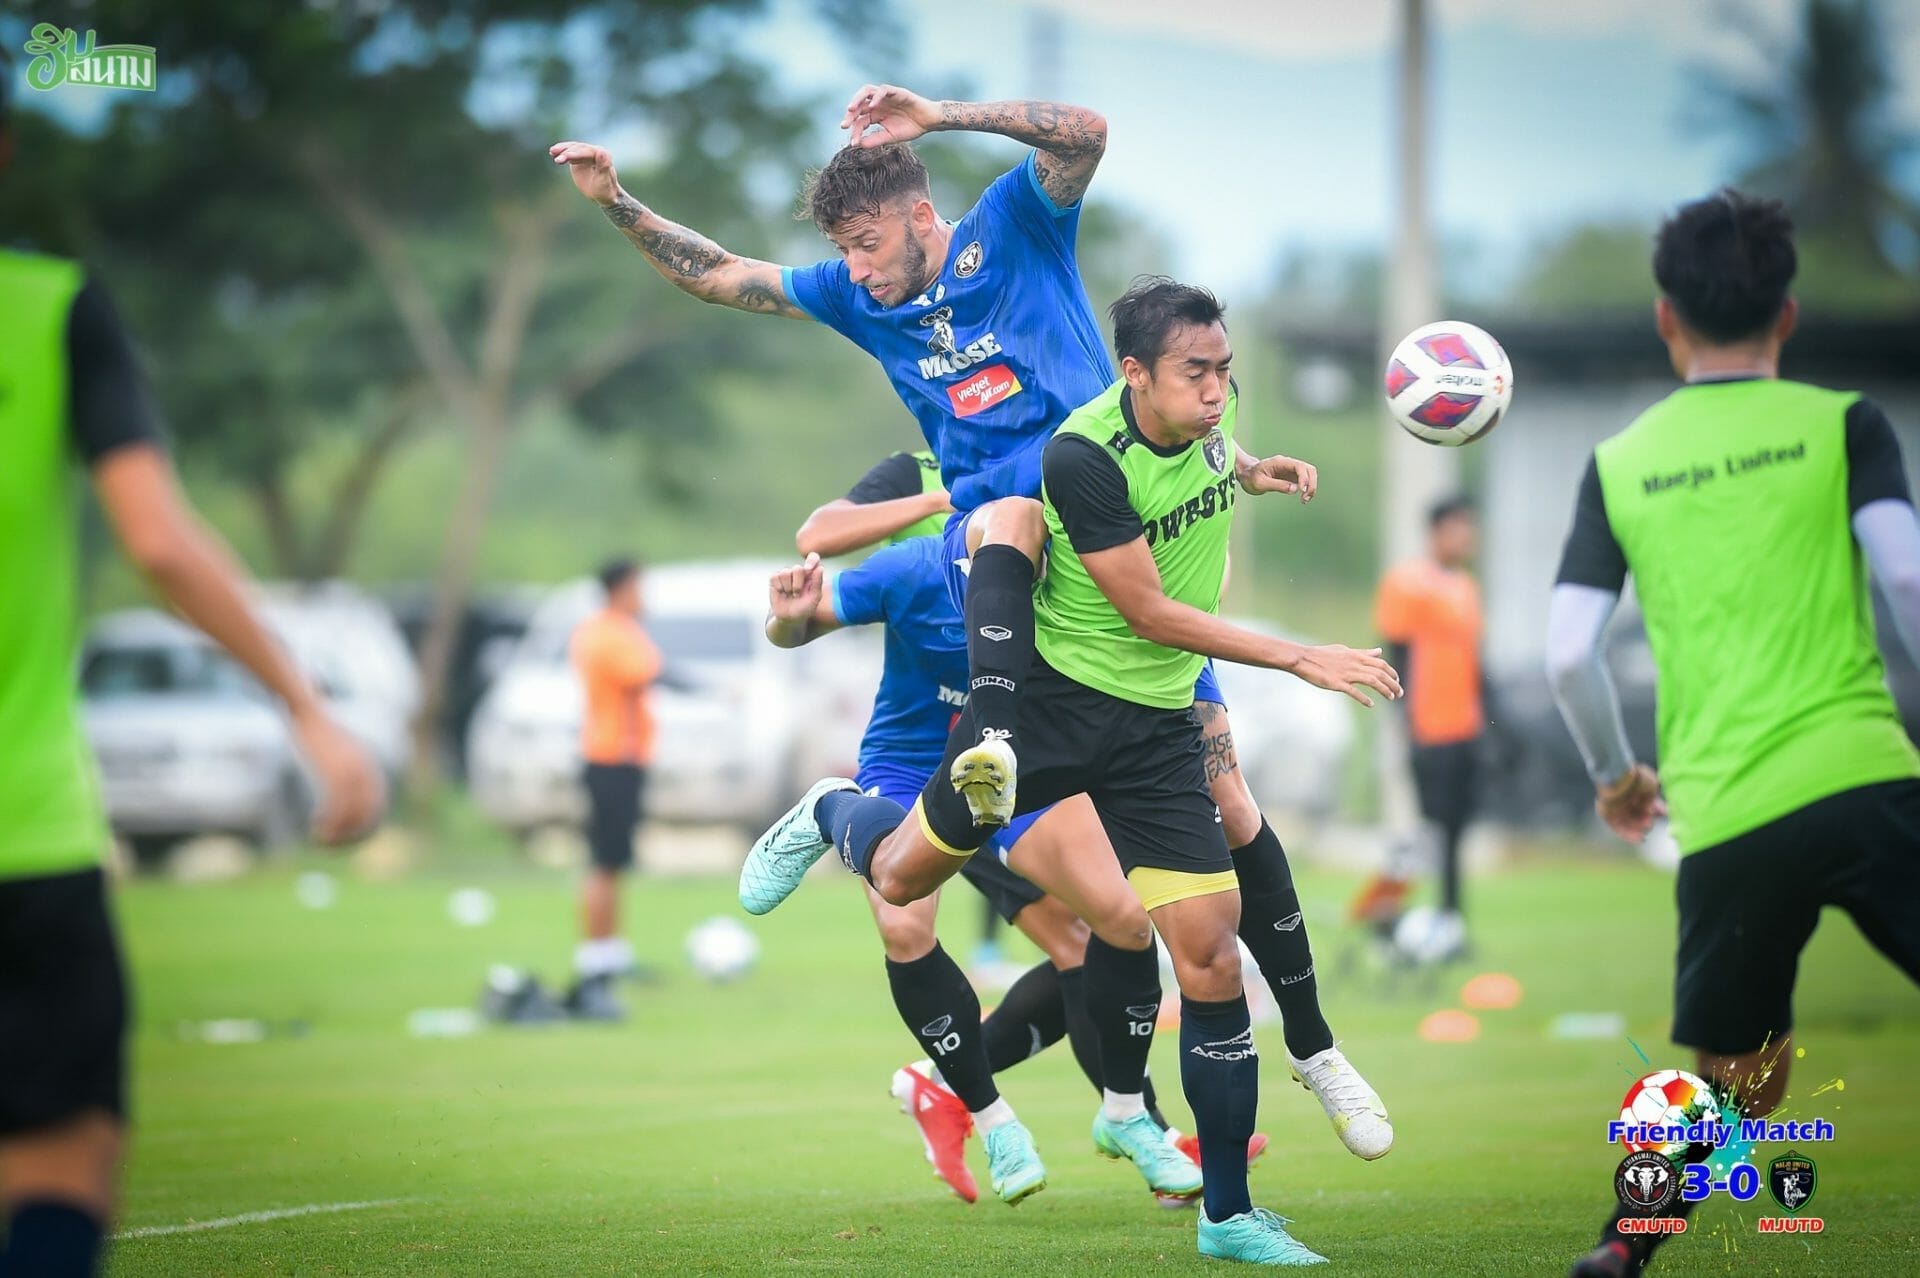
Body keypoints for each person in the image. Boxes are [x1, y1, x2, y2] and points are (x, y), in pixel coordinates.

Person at [555, 86, 1388, 1163]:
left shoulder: (1013, 227)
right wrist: (614, 199)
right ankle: (971, 775)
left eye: (865, 243)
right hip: (1003, 573)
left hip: (1114, 566)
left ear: (919, 213)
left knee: (1223, 814)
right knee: (1009, 519)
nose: (856, 268)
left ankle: (1303, 1053)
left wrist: (939, 116)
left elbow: (1087, 134)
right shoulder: (860, 297)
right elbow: (721, 275)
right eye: (842, 251)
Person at [745, 280, 1401, 1265]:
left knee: (1207, 958)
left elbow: (1211, 457)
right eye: (1196, 372)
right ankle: (832, 809)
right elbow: (1146, 611)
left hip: (1154, 730)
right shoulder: (1076, 456)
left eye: (1224, 370)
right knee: (899, 881)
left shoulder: (1209, 422)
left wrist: (1254, 469)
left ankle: (1227, 1212)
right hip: (1051, 711)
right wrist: (1301, 654)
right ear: (1134, 374)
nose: (1217, 389)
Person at [0, 84, 386, 1278]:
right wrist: (307, 708)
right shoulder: (49, 308)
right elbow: (158, 542)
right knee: (56, 1173)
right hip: (22, 837)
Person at [1549, 191, 1920, 1278]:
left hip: (1728, 818)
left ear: (1667, 317)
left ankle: (1625, 1248)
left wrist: (1616, 777)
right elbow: (1906, 576)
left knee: (1734, 1077)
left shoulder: (1620, 463)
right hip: (1863, 775)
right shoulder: (1845, 422)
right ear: (1787, 314)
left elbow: (1568, 654)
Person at [792, 450, 1270, 1205]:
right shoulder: (919, 536)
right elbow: (809, 569)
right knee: (913, 925)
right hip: (923, 767)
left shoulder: (1072, 520)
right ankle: (1001, 1116)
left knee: (1116, 922)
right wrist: (941, 505)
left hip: (1023, 757)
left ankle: (1117, 1116)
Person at [1353, 495, 1487, 957]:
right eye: (1458, 526)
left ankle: (1451, 922)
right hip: (1427, 728)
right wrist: (1403, 719)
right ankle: (1382, 916)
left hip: (1464, 728)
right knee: (1425, 832)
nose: (1467, 535)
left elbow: (1474, 661)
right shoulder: (1407, 583)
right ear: (1436, 532)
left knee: (1453, 832)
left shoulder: (1466, 587)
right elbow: (1398, 653)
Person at [564, 558, 662, 1020]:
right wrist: (715, 690)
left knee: (614, 861)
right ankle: (594, 958)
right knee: (603, 861)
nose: (645, 597)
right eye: (639, 587)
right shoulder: (611, 633)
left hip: (618, 757)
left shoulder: (607, 630)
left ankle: (610, 954)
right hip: (611, 757)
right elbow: (647, 675)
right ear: (622, 589)